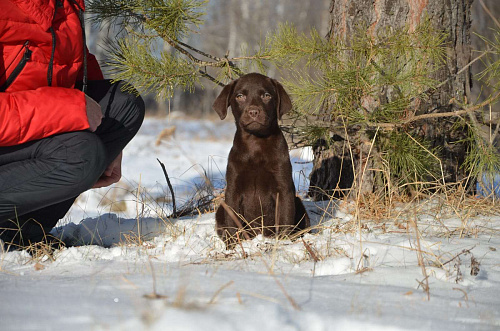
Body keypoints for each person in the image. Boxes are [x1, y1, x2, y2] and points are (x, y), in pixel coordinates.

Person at [0, 0, 145, 250]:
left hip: (24, 131)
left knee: (124, 103)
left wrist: (110, 135)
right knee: (81, 154)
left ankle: (24, 230)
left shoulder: (66, 6)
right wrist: (72, 108)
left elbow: (76, 65)